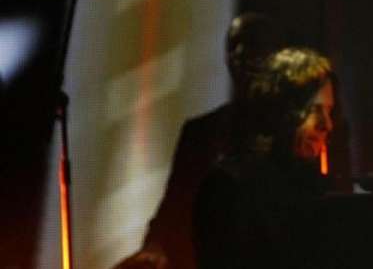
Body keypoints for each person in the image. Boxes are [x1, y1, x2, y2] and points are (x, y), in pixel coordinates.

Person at [115, 13, 282, 269]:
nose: (242, 55)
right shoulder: (200, 132)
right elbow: (173, 208)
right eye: (235, 47)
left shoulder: (293, 132)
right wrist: (154, 246)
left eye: (255, 46)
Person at [191, 46, 336, 269]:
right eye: (315, 110)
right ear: (282, 110)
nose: (327, 125)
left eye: (329, 111)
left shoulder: (314, 188)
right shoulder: (228, 188)